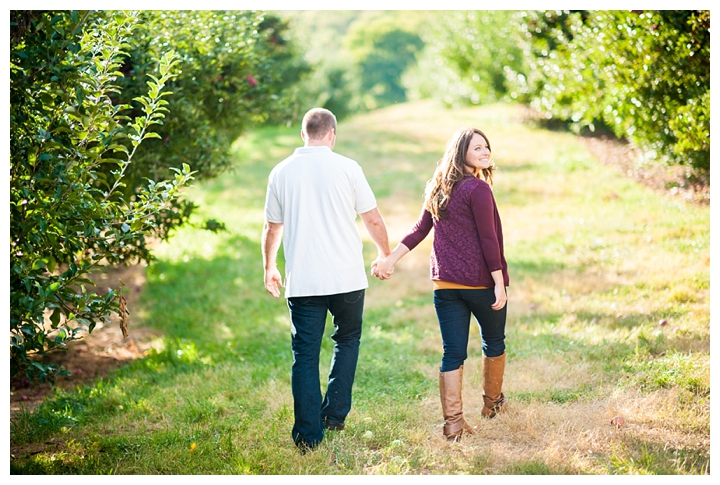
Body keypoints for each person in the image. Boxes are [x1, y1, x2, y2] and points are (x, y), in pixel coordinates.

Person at [262, 107, 391, 452]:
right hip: (347, 277)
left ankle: (307, 436)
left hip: (303, 280)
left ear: (303, 134)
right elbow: (373, 218)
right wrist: (384, 255)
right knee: (346, 341)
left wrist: (269, 266)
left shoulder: (281, 172)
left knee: (304, 354)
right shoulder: (348, 167)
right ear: (332, 134)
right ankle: (334, 415)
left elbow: (272, 227)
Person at [373, 127, 509, 442]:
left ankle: (453, 424)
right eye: (477, 148)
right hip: (479, 284)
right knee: (494, 342)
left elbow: (419, 229)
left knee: (453, 352)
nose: (485, 152)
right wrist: (499, 282)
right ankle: (492, 405)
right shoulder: (478, 189)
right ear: (461, 152)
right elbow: (489, 240)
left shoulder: (438, 187)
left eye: (486, 147)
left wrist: (391, 259)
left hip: (444, 286)